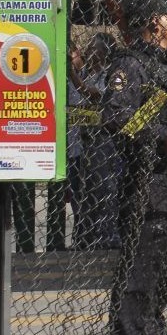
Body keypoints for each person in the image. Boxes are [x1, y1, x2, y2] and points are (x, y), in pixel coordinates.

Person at [102, 5, 167, 335]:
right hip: (144, 184)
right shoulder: (131, 64)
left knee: (161, 278)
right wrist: (160, 138)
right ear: (156, 22)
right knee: (138, 276)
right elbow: (116, 116)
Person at [69, 32, 120, 251]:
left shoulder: (111, 75)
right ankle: (86, 238)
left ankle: (108, 236)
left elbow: (96, 97)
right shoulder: (89, 75)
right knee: (84, 193)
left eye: (94, 48)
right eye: (88, 48)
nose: (89, 52)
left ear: (105, 52)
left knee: (105, 190)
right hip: (83, 143)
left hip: (104, 142)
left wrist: (73, 77)